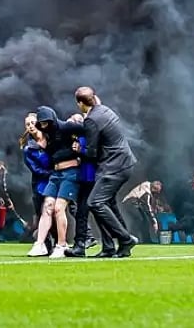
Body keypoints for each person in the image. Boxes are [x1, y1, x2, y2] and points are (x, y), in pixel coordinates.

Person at [75, 86, 139, 258]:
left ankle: (125, 239)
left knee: (95, 203)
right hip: (124, 163)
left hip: (113, 167)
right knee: (106, 204)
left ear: (80, 103)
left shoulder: (91, 120)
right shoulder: (105, 110)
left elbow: (91, 152)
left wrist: (78, 149)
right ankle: (110, 247)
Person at [29, 105, 85, 258]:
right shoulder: (46, 136)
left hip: (71, 172)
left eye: (47, 122)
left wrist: (81, 145)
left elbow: (88, 130)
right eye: (42, 123)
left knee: (59, 208)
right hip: (56, 173)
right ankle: (39, 244)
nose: (45, 126)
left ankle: (61, 245)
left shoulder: (67, 127)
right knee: (47, 206)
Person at [20, 113, 56, 252]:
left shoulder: (51, 138)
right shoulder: (28, 149)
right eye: (27, 124)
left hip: (57, 179)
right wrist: (53, 172)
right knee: (42, 213)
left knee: (57, 212)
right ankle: (46, 246)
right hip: (40, 184)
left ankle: (62, 243)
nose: (30, 126)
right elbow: (35, 169)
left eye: (32, 123)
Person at [64, 122, 100, 257]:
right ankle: (80, 243)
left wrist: (81, 151)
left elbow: (95, 154)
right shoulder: (75, 139)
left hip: (92, 178)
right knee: (80, 211)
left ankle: (119, 239)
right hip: (80, 178)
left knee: (95, 209)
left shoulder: (91, 137)